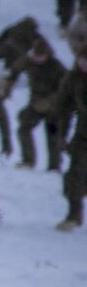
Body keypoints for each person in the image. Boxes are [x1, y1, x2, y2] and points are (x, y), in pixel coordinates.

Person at [5, 39, 67, 172]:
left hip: (53, 106)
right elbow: (15, 69)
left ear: (47, 54)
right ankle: (28, 160)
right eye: (35, 56)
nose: (37, 59)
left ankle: (54, 166)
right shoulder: (29, 61)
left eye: (40, 56)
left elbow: (65, 89)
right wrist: (8, 84)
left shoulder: (57, 67)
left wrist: (50, 101)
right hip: (35, 103)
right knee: (23, 128)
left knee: (52, 134)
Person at [57, 45, 87, 231]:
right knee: (74, 177)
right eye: (82, 60)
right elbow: (63, 108)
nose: (84, 64)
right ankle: (73, 215)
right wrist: (62, 135)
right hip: (83, 136)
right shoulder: (73, 79)